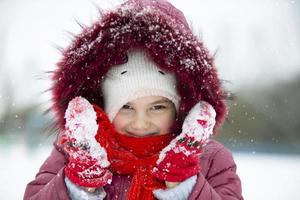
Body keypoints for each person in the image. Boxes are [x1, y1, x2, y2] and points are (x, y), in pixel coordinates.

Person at [24, 0, 243, 199]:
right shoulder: (71, 152)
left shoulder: (211, 160)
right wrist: (76, 186)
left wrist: (185, 185)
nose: (140, 123)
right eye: (126, 107)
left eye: (157, 107)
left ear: (181, 108)